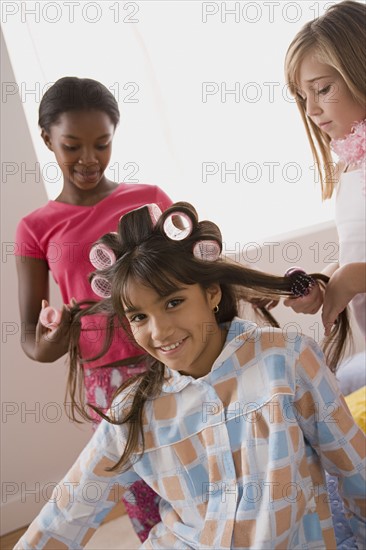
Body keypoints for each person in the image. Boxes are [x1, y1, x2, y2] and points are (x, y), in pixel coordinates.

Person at [14, 202, 365, 549]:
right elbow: (66, 514)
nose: (160, 332)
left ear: (211, 292)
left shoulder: (287, 360)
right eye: (138, 317)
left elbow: (355, 472)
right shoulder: (134, 411)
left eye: (172, 303)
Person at [14, 76, 173, 541]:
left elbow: (194, 279)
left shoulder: (149, 200)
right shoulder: (35, 228)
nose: (89, 159)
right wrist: (54, 337)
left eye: (101, 144)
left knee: (201, 468)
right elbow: (32, 340)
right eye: (72, 145)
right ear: (48, 140)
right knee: (142, 490)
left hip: (169, 357)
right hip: (106, 382)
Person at [283, 0, 366, 342]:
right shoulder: (349, 163)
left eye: (323, 88)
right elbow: (358, 251)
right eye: (303, 97)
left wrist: (353, 277)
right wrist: (326, 279)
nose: (312, 109)